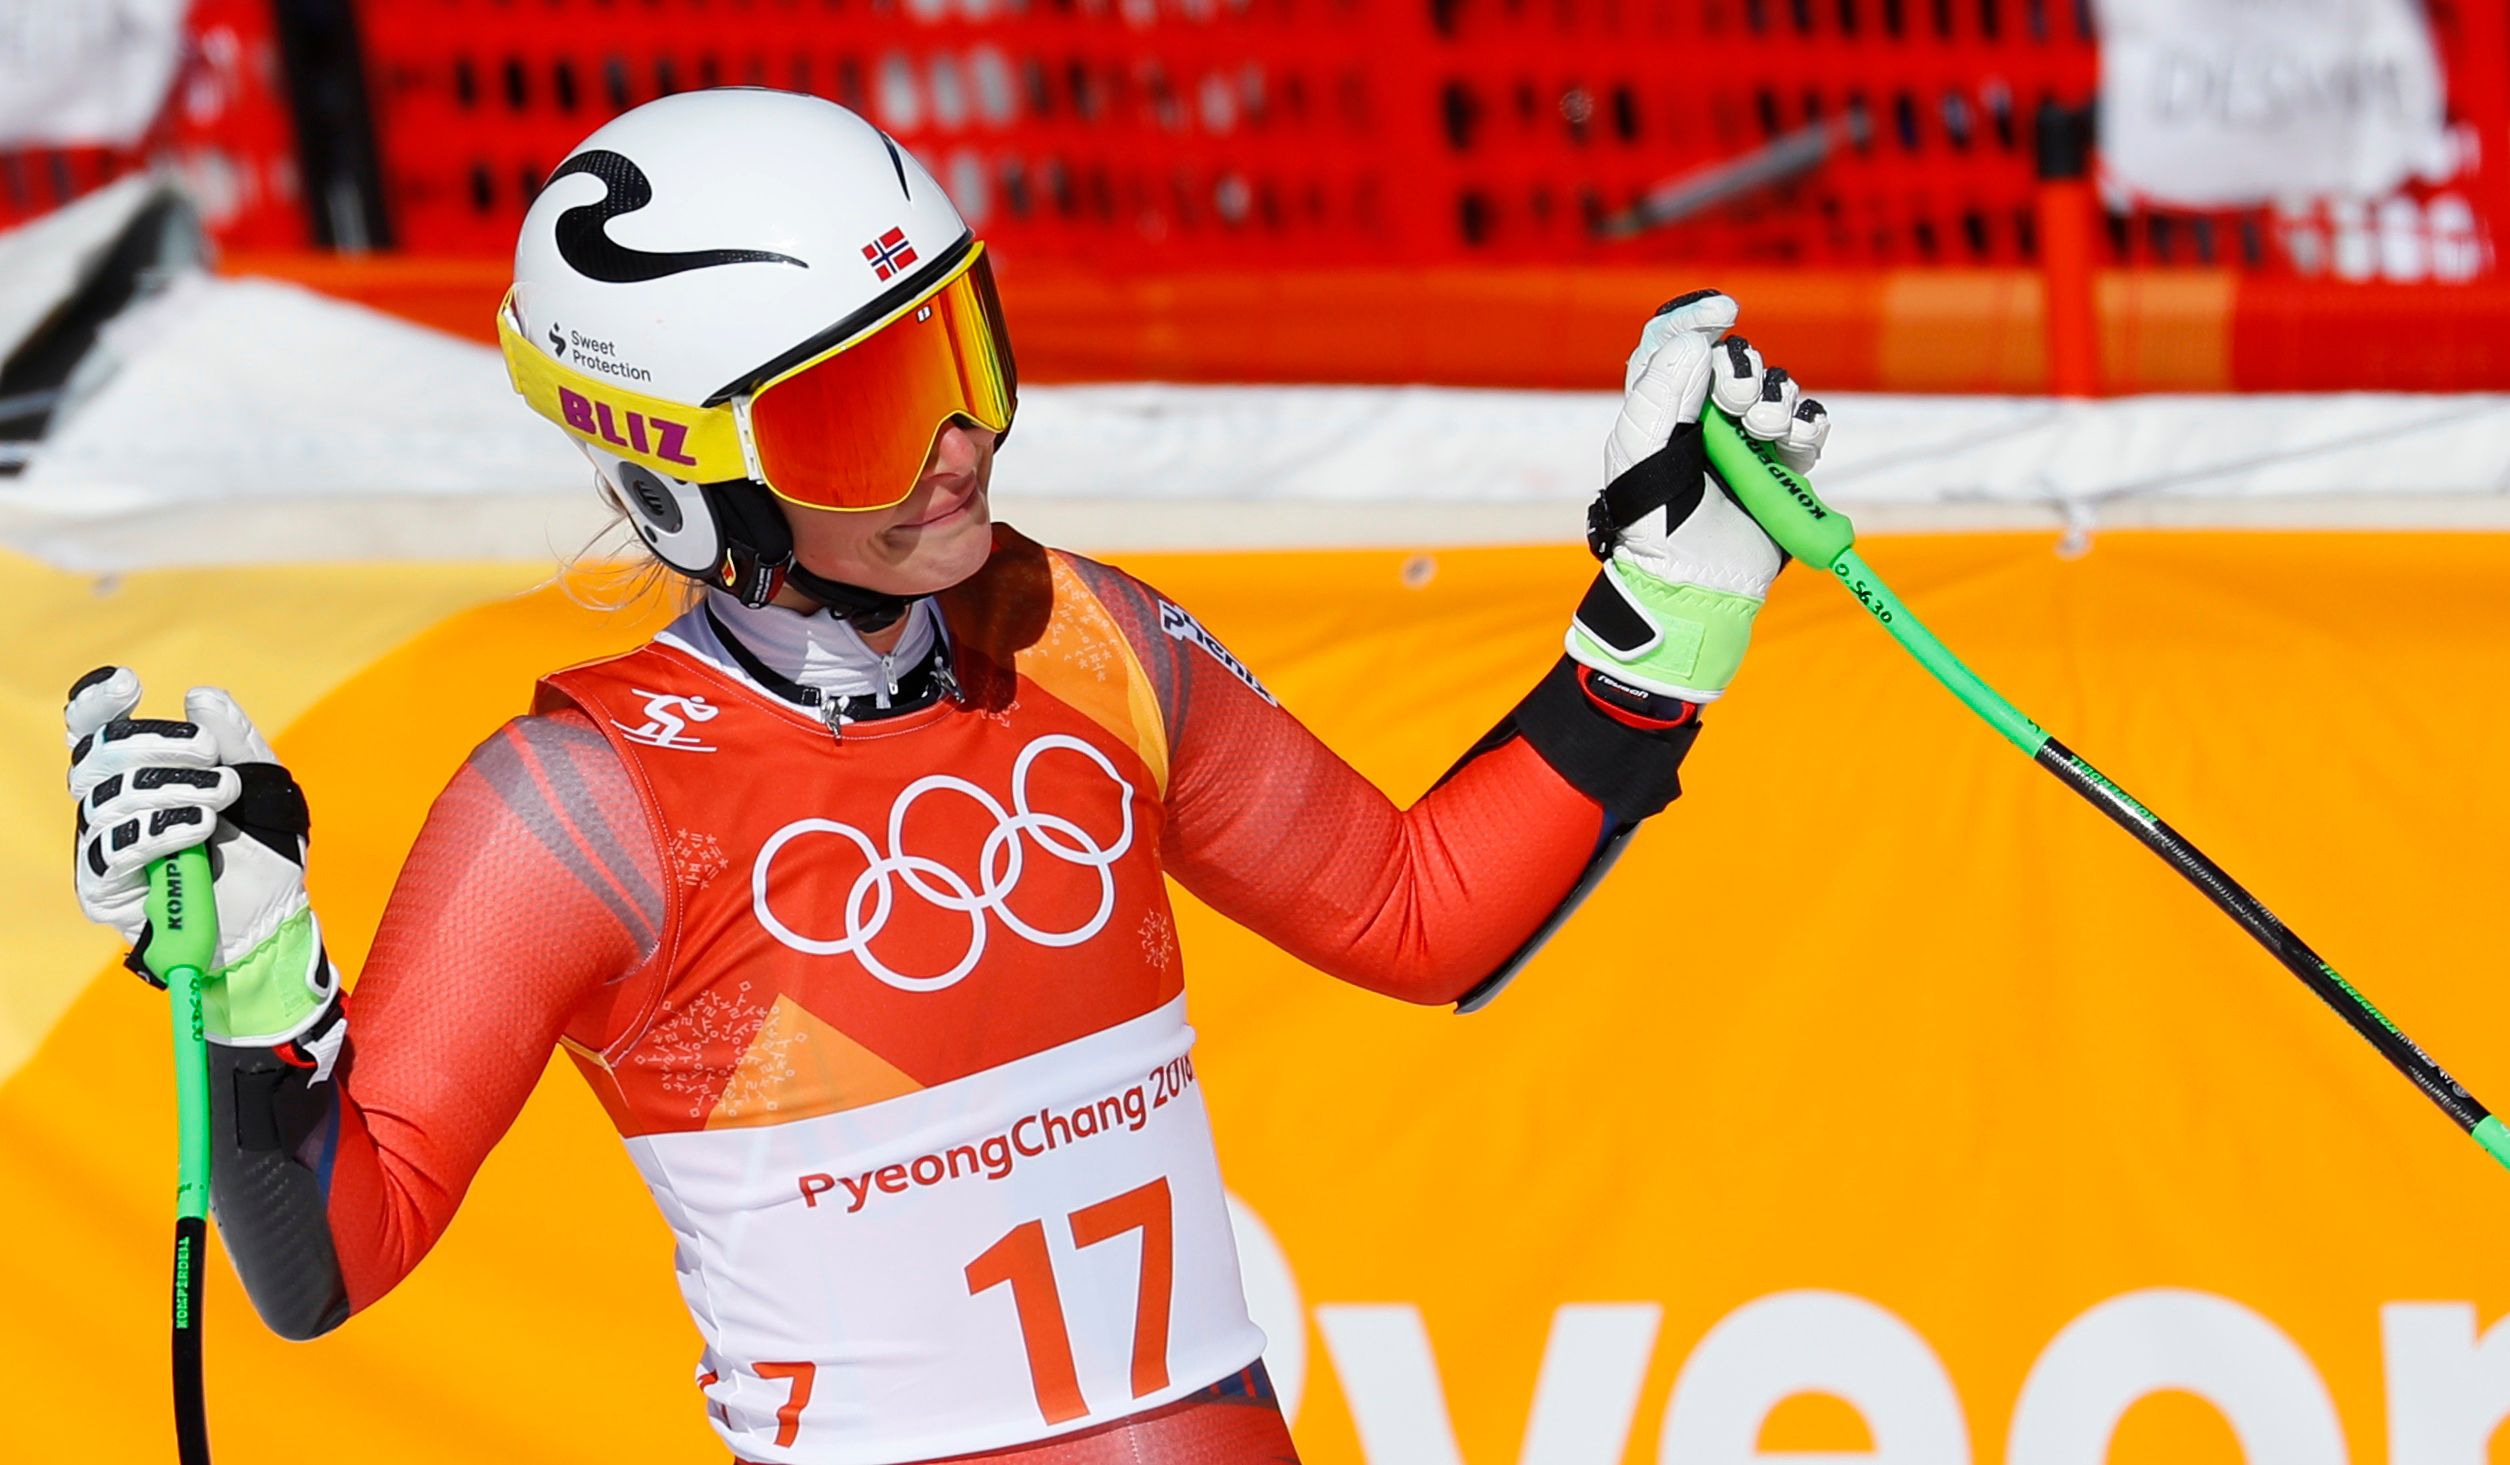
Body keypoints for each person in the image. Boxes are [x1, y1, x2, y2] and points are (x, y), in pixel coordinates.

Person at [64, 89, 1829, 1464]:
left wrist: (1661, 621)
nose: (959, 447)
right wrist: (258, 982)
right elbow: (329, 1262)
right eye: (862, 414)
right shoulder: (581, 807)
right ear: (684, 480)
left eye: (958, 353)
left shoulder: (1076, 634)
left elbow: (1420, 913)